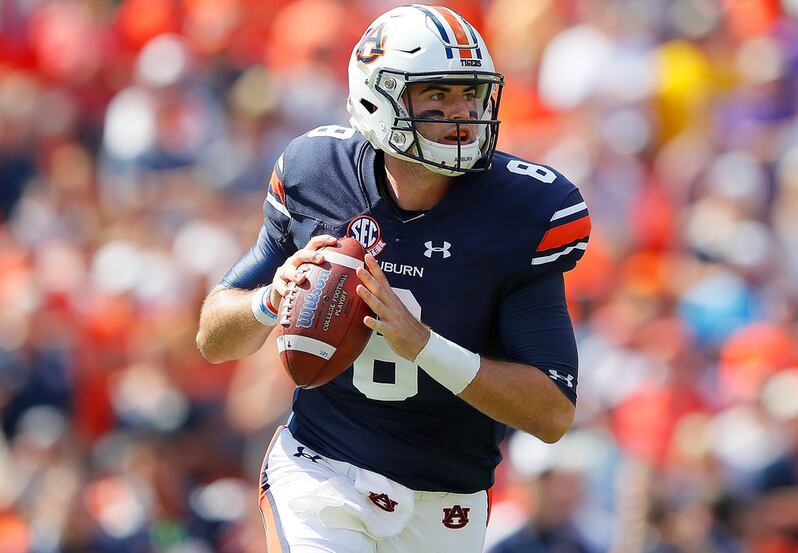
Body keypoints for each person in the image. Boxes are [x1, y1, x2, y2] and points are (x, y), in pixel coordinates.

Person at [196, 4, 591, 552]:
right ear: (374, 97)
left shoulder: (524, 210)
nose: (462, 114)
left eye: (471, 95)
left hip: (447, 502)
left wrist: (423, 345)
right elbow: (212, 339)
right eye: (437, 95)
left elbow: (551, 412)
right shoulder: (317, 172)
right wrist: (270, 299)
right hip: (322, 471)